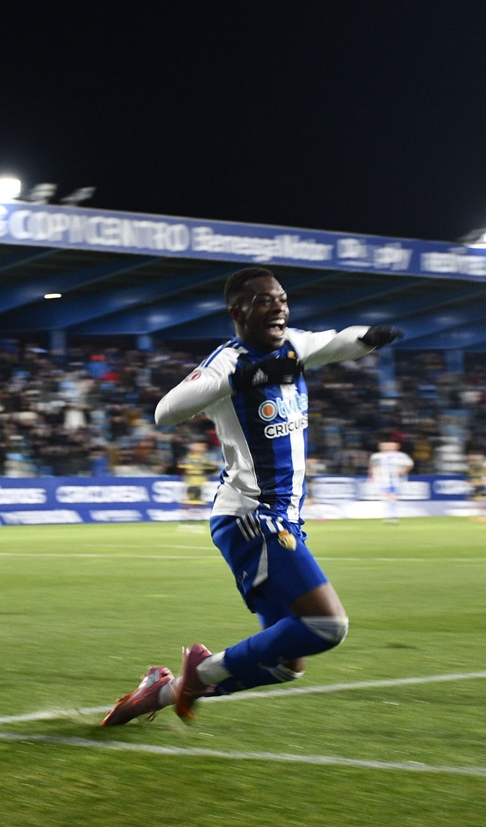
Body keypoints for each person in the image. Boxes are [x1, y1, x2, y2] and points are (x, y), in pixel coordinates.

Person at [101, 265, 402, 726]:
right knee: (328, 626)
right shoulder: (227, 361)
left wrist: (371, 336)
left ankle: (162, 692)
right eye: (265, 300)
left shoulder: (296, 346)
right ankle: (198, 671)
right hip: (251, 517)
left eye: (282, 298)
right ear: (237, 311)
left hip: (283, 521)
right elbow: (164, 412)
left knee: (287, 662)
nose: (278, 305)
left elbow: (337, 340)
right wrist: (249, 377)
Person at [369, 439, 414, 524]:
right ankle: (390, 516)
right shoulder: (377, 456)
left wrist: (403, 471)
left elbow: (409, 465)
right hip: (382, 480)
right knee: (388, 498)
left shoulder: (401, 456)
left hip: (396, 480)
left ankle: (392, 516)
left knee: (391, 497)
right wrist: (372, 476)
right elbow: (373, 467)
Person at [180, 441, 214, 506]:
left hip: (195, 479)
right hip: (195, 479)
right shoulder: (200, 457)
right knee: (194, 491)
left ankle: (195, 499)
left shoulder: (192, 457)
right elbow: (211, 466)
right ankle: (194, 499)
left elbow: (182, 465)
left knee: (195, 491)